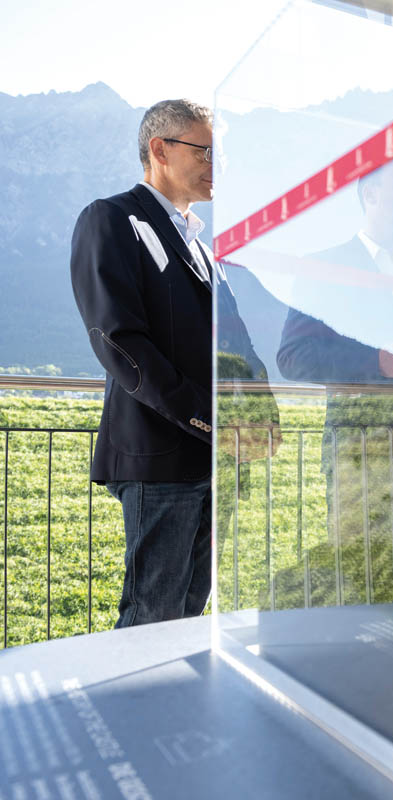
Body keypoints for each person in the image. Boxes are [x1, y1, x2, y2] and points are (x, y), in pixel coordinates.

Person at [69, 99, 272, 626]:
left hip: (214, 459)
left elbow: (237, 341)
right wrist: (208, 419)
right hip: (157, 456)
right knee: (152, 616)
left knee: (188, 615)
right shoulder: (110, 218)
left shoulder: (201, 245)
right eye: (205, 151)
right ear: (159, 150)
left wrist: (261, 407)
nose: (216, 165)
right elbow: (120, 342)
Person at [276, 155, 393, 606]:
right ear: (369, 194)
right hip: (358, 458)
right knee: (359, 580)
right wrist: (373, 360)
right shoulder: (324, 267)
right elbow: (293, 357)